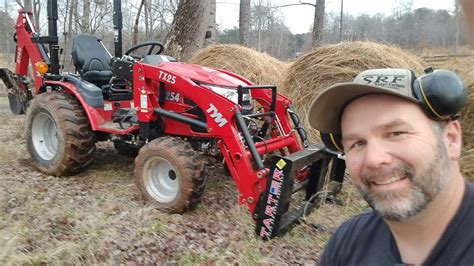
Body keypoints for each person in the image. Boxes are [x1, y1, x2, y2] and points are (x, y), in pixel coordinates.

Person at [307, 68, 474, 265]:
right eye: (357, 143)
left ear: (451, 139)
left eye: (396, 133)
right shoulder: (347, 243)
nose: (373, 159)